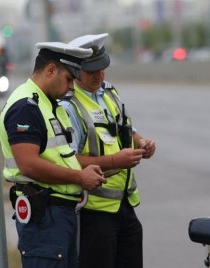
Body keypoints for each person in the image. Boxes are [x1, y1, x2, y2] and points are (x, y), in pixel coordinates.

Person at [0, 40, 107, 268]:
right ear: (50, 70)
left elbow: (61, 155)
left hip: (59, 214)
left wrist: (87, 169)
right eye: (69, 79)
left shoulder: (49, 104)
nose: (71, 87)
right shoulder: (26, 107)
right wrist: (79, 177)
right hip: (44, 217)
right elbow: (28, 164)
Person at [59, 33, 156, 268]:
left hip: (124, 206)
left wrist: (142, 143)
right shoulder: (68, 105)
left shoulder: (109, 92)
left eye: (103, 68)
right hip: (94, 212)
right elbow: (68, 159)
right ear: (75, 70)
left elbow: (127, 129)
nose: (100, 75)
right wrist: (114, 161)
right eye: (92, 71)